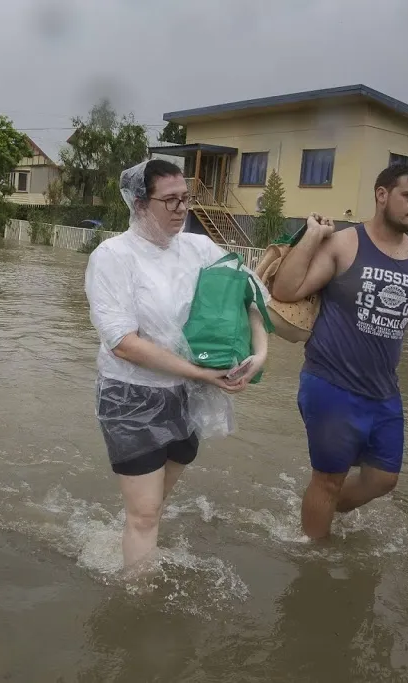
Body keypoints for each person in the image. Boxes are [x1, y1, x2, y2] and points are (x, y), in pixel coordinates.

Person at [85, 159, 270, 570]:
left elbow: (251, 295)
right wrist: (203, 372)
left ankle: (130, 544)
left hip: (187, 395)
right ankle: (138, 600)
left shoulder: (199, 248)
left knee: (155, 503)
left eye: (185, 198)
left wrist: (260, 353)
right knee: (146, 512)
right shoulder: (113, 256)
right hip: (130, 397)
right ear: (138, 203)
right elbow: (123, 343)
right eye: (169, 200)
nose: (181, 208)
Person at [272, 164, 408, 540]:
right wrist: (312, 237)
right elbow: (285, 290)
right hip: (330, 384)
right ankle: (313, 555)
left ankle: (319, 510)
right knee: (328, 479)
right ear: (382, 195)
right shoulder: (346, 244)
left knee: (384, 478)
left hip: (383, 392)